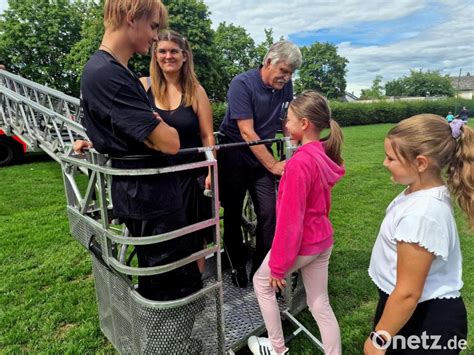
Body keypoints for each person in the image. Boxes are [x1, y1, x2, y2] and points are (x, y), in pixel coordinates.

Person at [79, 0, 202, 301]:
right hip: (149, 195)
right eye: (153, 26)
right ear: (132, 18)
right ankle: (171, 344)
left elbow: (127, 131)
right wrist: (162, 130)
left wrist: (156, 129)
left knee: (165, 271)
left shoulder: (111, 71)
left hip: (146, 192)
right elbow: (170, 142)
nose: (155, 36)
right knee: (170, 278)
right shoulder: (109, 75)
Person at [364, 115, 472, 354]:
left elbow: (407, 293)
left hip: (426, 323)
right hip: (407, 312)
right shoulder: (416, 192)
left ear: (421, 163)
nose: (385, 163)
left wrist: (378, 340)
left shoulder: (422, 214)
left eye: (391, 158)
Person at [248, 91, 344, 355]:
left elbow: (290, 222)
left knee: (261, 282)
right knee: (320, 303)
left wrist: (278, 267)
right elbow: (323, 206)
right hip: (323, 240)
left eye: (288, 119)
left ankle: (277, 349)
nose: (285, 125)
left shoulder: (299, 163)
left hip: (305, 243)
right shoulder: (322, 156)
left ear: (304, 124)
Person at [218, 40, 302, 287]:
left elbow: (286, 121)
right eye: (283, 71)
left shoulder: (285, 87)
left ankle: (259, 269)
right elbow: (246, 132)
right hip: (234, 154)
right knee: (232, 213)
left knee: (269, 213)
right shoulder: (242, 84)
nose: (286, 78)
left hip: (259, 156)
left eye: (290, 73)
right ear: (268, 63)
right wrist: (275, 165)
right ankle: (235, 267)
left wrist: (294, 149)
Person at [139, 29, 215, 273]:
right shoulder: (143, 87)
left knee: (196, 237)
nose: (167, 56)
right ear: (155, 55)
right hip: (156, 177)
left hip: (190, 177)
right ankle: (171, 290)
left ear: (184, 56)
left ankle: (195, 289)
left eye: (173, 51)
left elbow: (207, 135)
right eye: (162, 51)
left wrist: (211, 170)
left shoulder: (196, 91)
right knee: (163, 237)